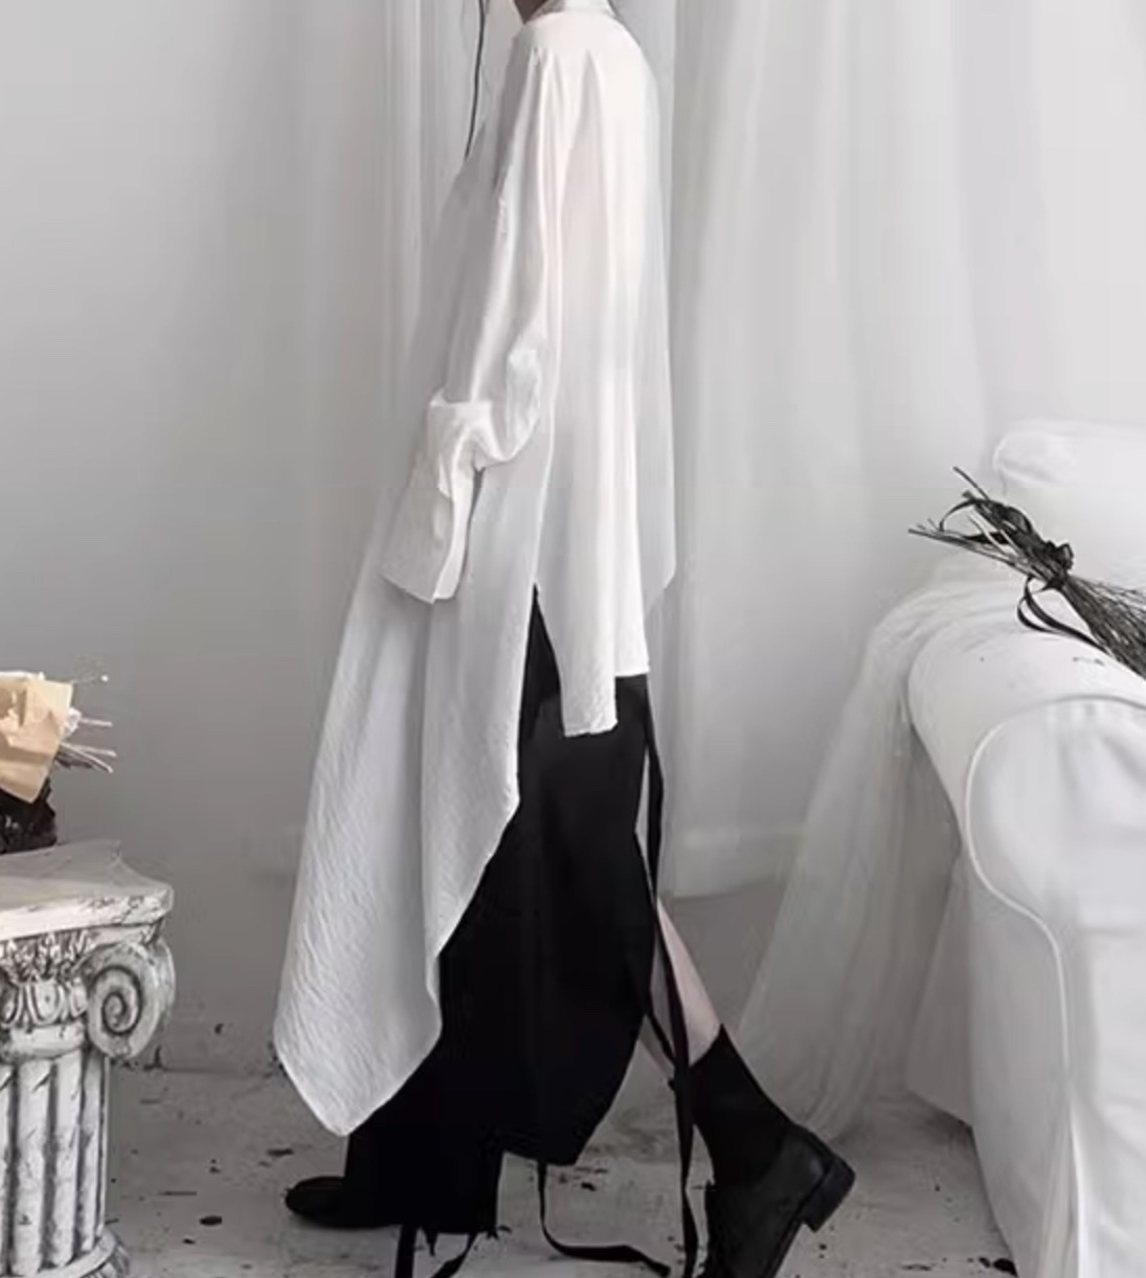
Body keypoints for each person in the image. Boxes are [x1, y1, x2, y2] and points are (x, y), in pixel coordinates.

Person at [273, 3, 854, 1276]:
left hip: (513, 540)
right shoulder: (610, 57)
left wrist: (444, 483)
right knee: (497, 841)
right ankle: (425, 1158)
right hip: (560, 533)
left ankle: (756, 1146)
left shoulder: (551, 58)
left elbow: (517, 329)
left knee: (561, 857)